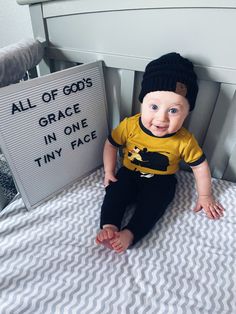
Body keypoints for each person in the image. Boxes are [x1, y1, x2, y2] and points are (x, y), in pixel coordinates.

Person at [95, 52, 224, 253]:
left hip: (161, 181)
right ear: (142, 103)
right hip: (129, 173)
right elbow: (111, 144)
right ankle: (109, 226)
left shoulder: (184, 140)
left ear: (187, 112)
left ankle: (130, 233)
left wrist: (205, 195)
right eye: (154, 107)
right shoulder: (129, 126)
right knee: (114, 193)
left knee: (154, 206)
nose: (161, 118)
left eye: (173, 110)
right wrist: (109, 172)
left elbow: (199, 166)